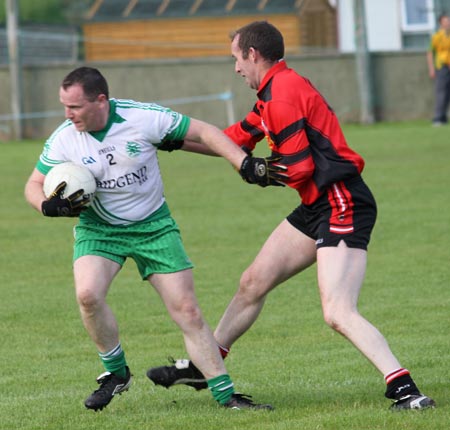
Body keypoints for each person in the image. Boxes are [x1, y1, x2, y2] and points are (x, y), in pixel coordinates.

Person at [147, 21, 436, 411]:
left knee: (337, 311)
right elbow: (233, 140)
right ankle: (204, 366)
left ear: (252, 54)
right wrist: (174, 140)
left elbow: (296, 169)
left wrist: (254, 171)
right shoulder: (272, 92)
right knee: (253, 282)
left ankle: (406, 390)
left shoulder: (281, 96)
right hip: (319, 203)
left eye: (236, 58)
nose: (235, 68)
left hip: (341, 201)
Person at [24, 66, 285, 412]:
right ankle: (116, 374)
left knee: (188, 311)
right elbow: (32, 184)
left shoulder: (142, 118)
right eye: (64, 106)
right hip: (99, 229)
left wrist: (243, 163)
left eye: (74, 107)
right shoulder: (64, 137)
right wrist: (47, 206)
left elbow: (205, 132)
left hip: (153, 227)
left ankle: (227, 396)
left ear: (100, 100)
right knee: (88, 295)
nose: (67, 115)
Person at [427, 13, 450, 126]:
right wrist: (431, 69)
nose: (448, 23)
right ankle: (438, 117)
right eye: (445, 21)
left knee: (448, 93)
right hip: (441, 66)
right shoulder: (436, 36)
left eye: (448, 21)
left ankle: (444, 117)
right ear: (440, 23)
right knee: (441, 92)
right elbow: (430, 53)